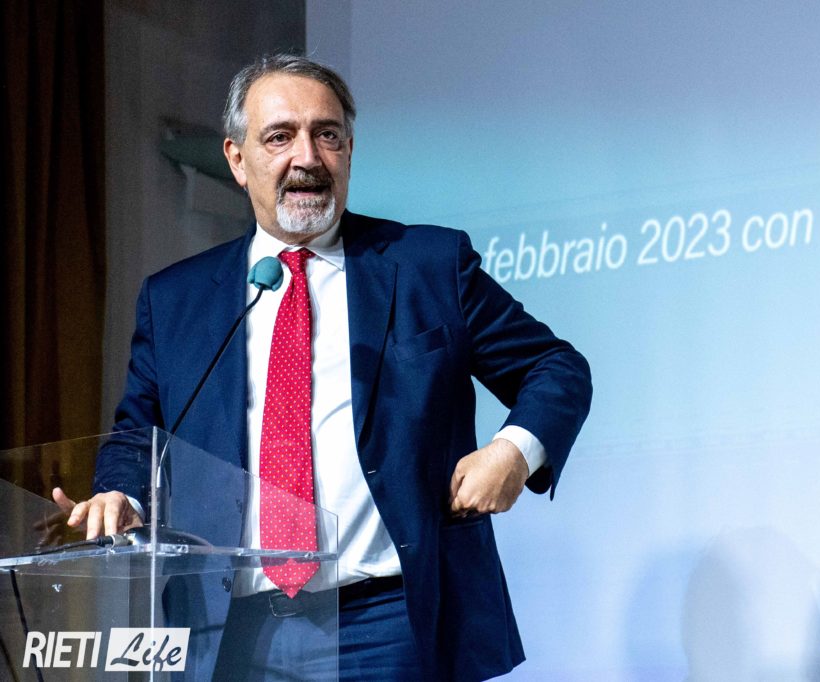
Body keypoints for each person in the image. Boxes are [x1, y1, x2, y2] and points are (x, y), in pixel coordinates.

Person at [53, 54, 591, 680]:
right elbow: (136, 433)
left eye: (327, 135)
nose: (306, 157)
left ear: (349, 151)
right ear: (237, 159)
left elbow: (555, 367)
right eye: (280, 137)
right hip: (230, 630)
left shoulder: (427, 264)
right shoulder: (176, 300)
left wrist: (514, 451)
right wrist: (120, 494)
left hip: (389, 620)